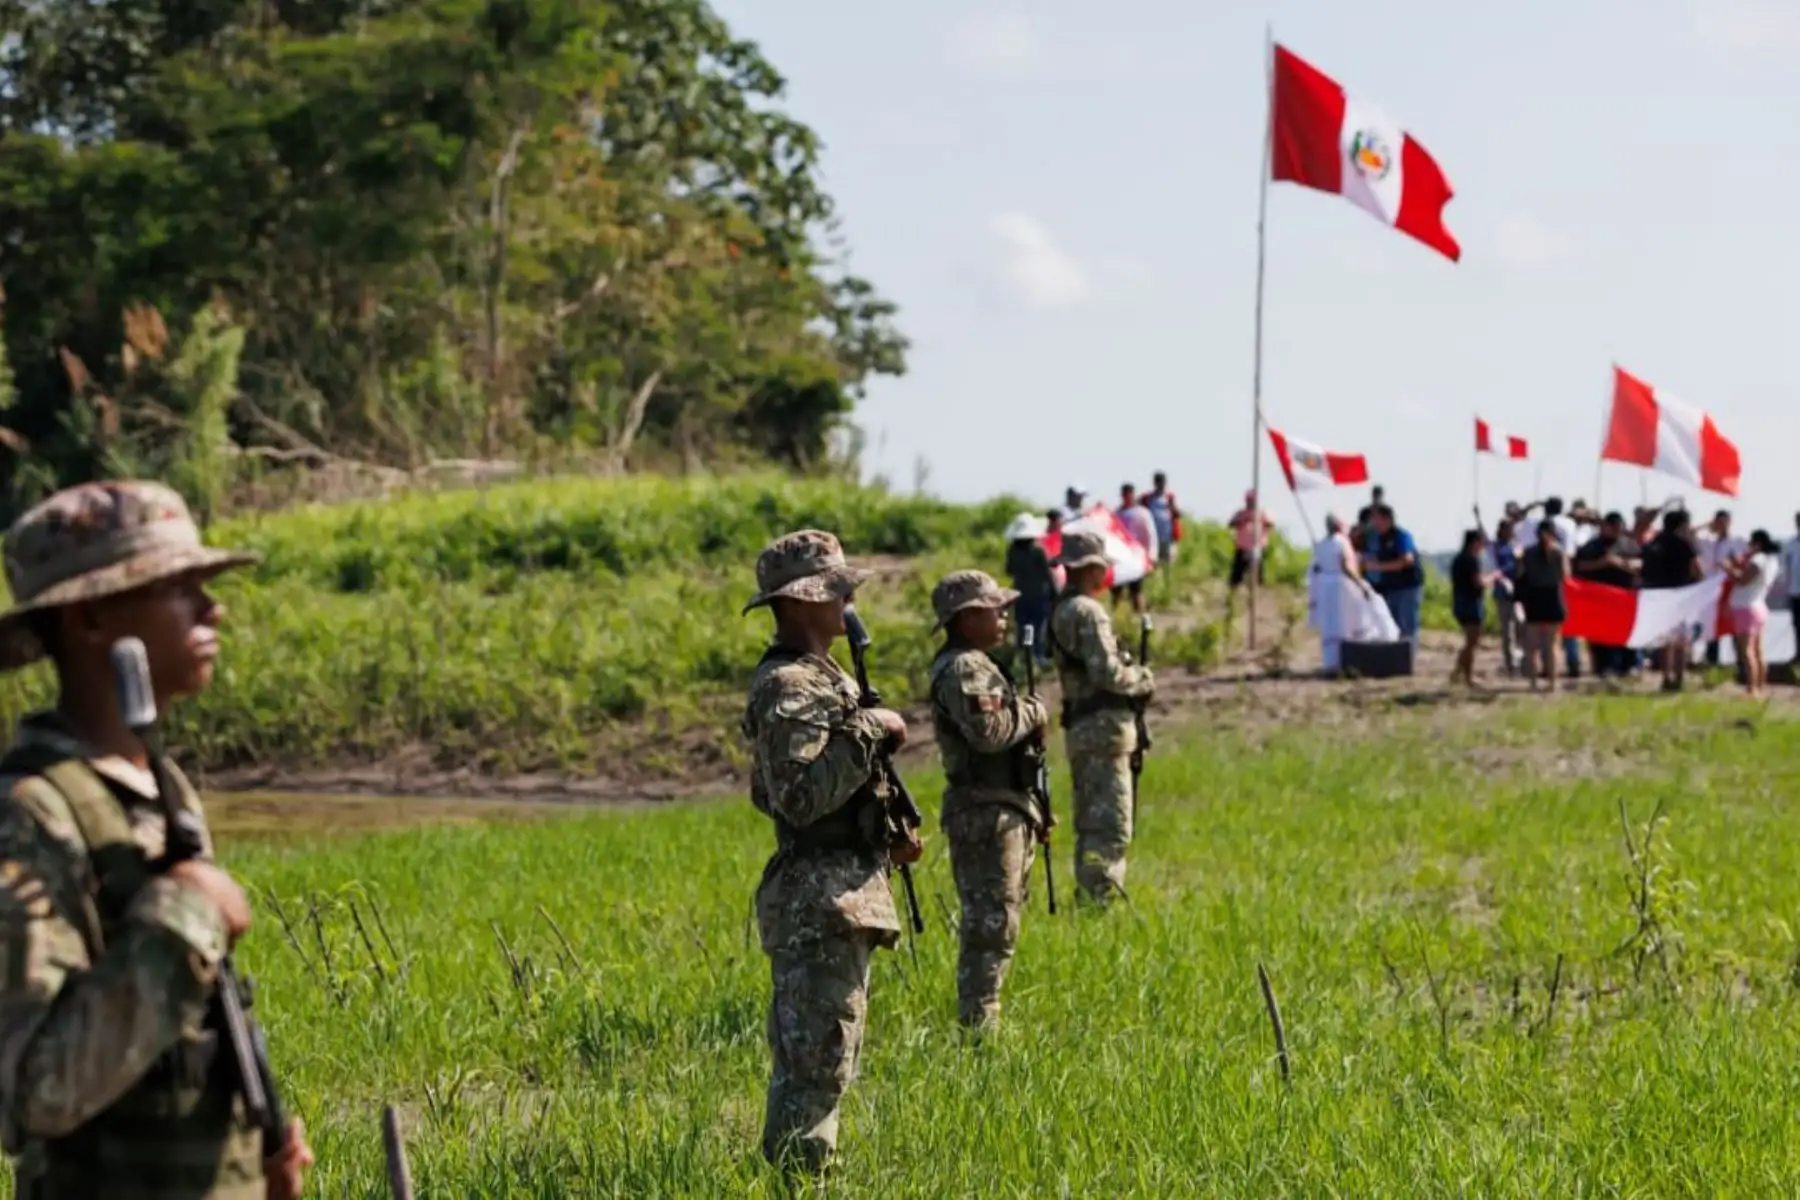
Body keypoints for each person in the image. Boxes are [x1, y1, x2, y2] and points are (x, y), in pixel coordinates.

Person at [0, 481, 314, 1198]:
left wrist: (245, 1162)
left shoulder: (158, 786)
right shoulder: (32, 814)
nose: (213, 606)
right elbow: (31, 1092)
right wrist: (185, 918)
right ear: (87, 617)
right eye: (178, 587)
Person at [739, 529, 914, 1174]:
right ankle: (800, 1183)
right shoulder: (789, 684)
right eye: (834, 588)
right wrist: (873, 729)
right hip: (820, 902)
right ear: (801, 602)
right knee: (816, 1071)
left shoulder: (820, 676)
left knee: (820, 1069)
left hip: (836, 894)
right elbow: (797, 799)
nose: (847, 598)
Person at [925, 571, 1050, 1030]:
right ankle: (980, 1026)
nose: (1004, 616)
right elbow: (990, 732)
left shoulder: (977, 664)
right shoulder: (965, 668)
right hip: (986, 811)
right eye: (994, 609)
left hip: (1002, 805)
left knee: (1000, 921)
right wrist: (1034, 710)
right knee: (990, 926)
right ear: (967, 617)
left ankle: (984, 1020)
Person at [1048, 531, 1153, 905]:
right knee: (1110, 825)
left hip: (1083, 729)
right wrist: (1141, 678)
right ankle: (1100, 901)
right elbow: (1106, 672)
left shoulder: (1062, 609)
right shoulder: (1088, 611)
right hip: (1103, 730)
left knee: (1090, 820)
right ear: (1090, 568)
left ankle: (1091, 896)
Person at [1572, 512, 1642, 678]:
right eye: (1612, 527)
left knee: (1626, 634)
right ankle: (1605, 667)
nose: (1616, 530)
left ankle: (1629, 665)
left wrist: (1624, 564)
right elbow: (1579, 567)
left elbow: (1641, 563)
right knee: (1601, 637)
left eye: (1619, 527)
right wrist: (1602, 563)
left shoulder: (1629, 544)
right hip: (1600, 599)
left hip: (1625, 597)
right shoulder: (1591, 546)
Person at [1307, 513, 1378, 674]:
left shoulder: (1320, 545)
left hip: (1325, 587)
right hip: (1340, 586)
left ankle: (1331, 662)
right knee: (1345, 623)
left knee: (1330, 626)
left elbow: (1316, 569)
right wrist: (1361, 585)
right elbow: (1346, 566)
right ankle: (1344, 662)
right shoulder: (1341, 542)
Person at [1640, 509, 1701, 692]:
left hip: (1659, 595)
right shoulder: (1685, 544)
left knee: (1666, 640)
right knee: (1682, 640)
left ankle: (1666, 676)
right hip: (1681, 595)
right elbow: (1696, 569)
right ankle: (1680, 676)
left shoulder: (1654, 542)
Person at [1725, 530, 1780, 697]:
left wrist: (1727, 569)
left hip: (1746, 607)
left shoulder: (1758, 559)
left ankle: (1751, 688)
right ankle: (1761, 685)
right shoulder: (1772, 560)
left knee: (1747, 651)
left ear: (1757, 544)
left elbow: (1743, 580)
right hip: (1759, 605)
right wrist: (1737, 564)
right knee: (1758, 651)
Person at [1361, 505, 1424, 646]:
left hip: (1408, 585)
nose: (1373, 522)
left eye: (1376, 518)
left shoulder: (1401, 536)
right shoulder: (1378, 538)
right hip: (1391, 586)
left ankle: (1409, 657)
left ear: (1387, 519)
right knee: (1393, 623)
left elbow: (1407, 560)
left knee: (1407, 624)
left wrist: (1379, 567)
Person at [1518, 519, 1569, 693]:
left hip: (1533, 597)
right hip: (1553, 596)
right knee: (1553, 643)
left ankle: (1533, 683)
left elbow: (1521, 573)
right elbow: (1565, 575)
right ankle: (1553, 682)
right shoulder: (1558, 552)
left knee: (1532, 645)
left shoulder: (1528, 552)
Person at [1003, 513, 1054, 665]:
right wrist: (1055, 592)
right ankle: (1038, 655)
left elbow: (1009, 570)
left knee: (1023, 625)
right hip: (1039, 594)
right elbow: (1047, 574)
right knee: (1038, 626)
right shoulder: (1038, 550)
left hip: (1020, 593)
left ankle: (1024, 655)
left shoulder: (1013, 550)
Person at [1697, 509, 1745, 668]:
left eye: (1724, 521)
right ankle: (1712, 660)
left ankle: (1741, 662)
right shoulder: (1709, 541)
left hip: (1730, 589)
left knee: (1733, 627)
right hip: (1712, 590)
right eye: (1719, 522)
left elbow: (1741, 563)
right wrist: (1706, 525)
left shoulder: (1737, 541)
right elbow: (1689, 534)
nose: (1722, 525)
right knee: (1712, 625)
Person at [1450, 529, 1495, 686]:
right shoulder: (1472, 560)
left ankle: (1457, 672)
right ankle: (1468, 677)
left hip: (1459, 601)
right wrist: (1492, 578)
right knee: (1472, 642)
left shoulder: (1458, 559)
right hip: (1471, 602)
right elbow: (1478, 582)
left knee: (1470, 641)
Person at [1111, 484, 1156, 614]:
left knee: (1136, 590)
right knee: (1116, 590)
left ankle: (1139, 616)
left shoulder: (1142, 513)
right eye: (1124, 494)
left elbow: (1150, 535)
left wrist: (1151, 556)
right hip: (1120, 557)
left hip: (1137, 556)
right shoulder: (1117, 514)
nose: (1127, 497)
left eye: (1129, 494)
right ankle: (1116, 615)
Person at [1492, 518, 1522, 676]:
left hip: (1519, 591)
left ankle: (1520, 659)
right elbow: (1499, 567)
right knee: (1507, 631)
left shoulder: (1516, 545)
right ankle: (1511, 664)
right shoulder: (1497, 547)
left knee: (1521, 627)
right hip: (1503, 592)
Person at [1227, 489, 1274, 591]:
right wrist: (1241, 521)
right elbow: (1231, 524)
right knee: (1237, 572)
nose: (1250, 502)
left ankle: (1258, 591)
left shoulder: (1262, 513)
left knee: (1258, 572)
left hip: (1257, 546)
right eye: (1249, 500)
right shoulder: (1240, 513)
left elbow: (1270, 524)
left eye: (1252, 500)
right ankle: (1233, 592)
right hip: (1242, 546)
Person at [1142, 471, 1181, 566]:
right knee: (1155, 563)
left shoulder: (1169, 498)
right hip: (1153, 537)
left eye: (1162, 482)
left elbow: (1178, 514)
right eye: (1159, 482)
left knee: (1169, 561)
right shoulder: (1147, 498)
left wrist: (1172, 507)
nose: (1161, 485)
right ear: (1155, 483)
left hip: (1168, 537)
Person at [1783, 512, 1800, 668]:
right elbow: (1787, 568)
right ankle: (1798, 654)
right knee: (1797, 625)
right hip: (1795, 591)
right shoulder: (1791, 544)